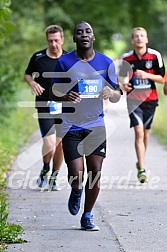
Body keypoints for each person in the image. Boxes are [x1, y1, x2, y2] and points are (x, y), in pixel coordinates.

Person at [50, 21, 122, 231]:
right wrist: (65, 95)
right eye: (79, 32)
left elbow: (118, 94)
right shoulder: (64, 62)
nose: (84, 35)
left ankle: (87, 215)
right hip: (71, 125)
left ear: (93, 37)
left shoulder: (105, 62)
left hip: (95, 124)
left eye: (88, 31)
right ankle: (76, 189)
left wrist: (111, 93)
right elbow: (53, 91)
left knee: (96, 171)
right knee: (76, 175)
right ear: (74, 38)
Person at [24, 25, 67, 190]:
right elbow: (27, 74)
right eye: (50, 41)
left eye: (57, 40)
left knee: (60, 144)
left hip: (65, 106)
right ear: (47, 41)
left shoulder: (70, 59)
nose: (54, 44)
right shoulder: (38, 57)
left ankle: (54, 177)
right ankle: (45, 168)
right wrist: (32, 82)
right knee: (49, 142)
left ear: (62, 40)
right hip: (44, 104)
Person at [121, 27, 165, 183]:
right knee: (138, 133)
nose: (139, 38)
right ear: (132, 40)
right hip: (133, 100)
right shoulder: (126, 58)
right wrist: (124, 86)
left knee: (146, 134)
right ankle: (142, 169)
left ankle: (140, 161)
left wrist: (147, 75)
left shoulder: (155, 56)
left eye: (142, 36)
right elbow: (122, 79)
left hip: (150, 100)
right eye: (136, 36)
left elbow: (162, 79)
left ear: (146, 39)